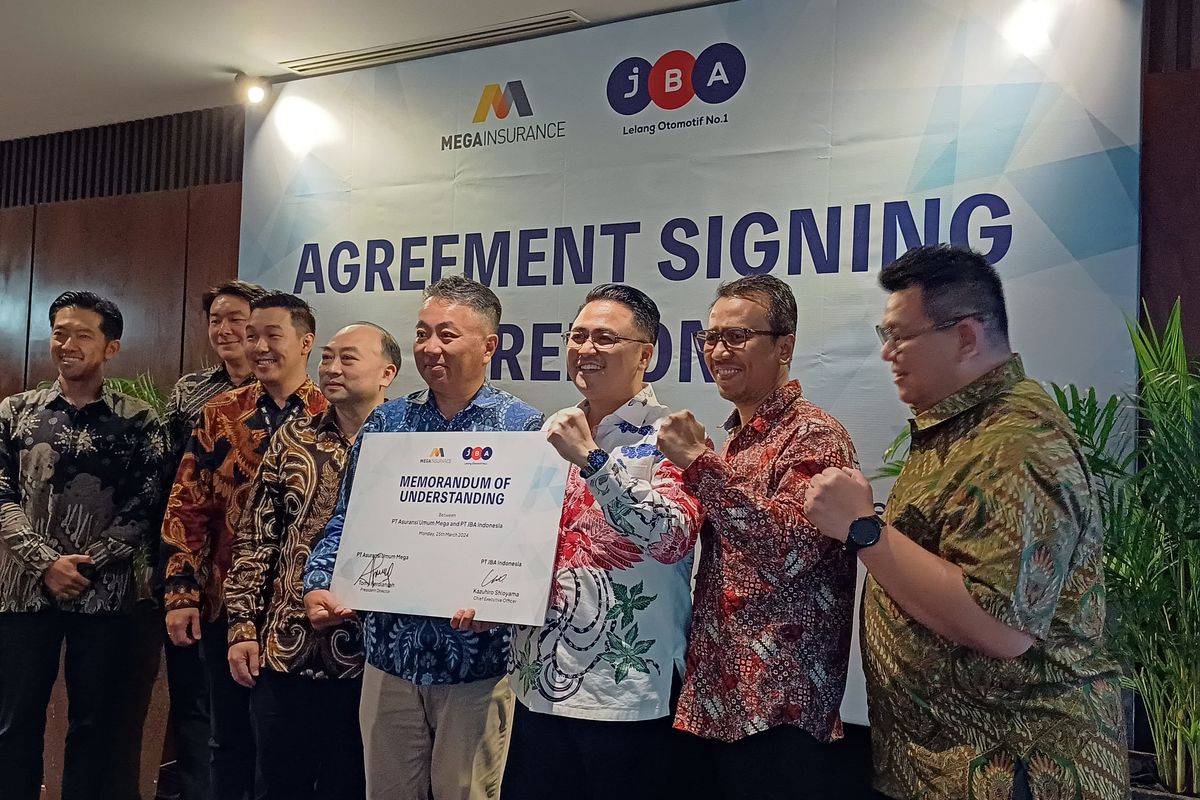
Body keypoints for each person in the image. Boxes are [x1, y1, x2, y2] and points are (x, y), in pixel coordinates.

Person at [803, 244, 1129, 800]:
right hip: (951, 765)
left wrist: (864, 530)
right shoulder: (962, 427)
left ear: (966, 335)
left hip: (1012, 770)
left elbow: (998, 627)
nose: (889, 354)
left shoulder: (1015, 443)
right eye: (887, 337)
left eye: (901, 337)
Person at [303, 276, 543, 800]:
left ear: (489, 346)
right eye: (422, 333)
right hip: (389, 652)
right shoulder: (389, 422)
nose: (431, 348)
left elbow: (533, 546)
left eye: (448, 335)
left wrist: (503, 599)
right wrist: (320, 580)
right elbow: (348, 517)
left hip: (476, 660)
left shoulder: (524, 429)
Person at [490, 284, 703, 800]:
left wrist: (592, 460)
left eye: (606, 338)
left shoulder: (670, 435)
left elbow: (673, 537)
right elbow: (519, 543)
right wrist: (486, 592)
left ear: (645, 354)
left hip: (625, 691)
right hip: (538, 682)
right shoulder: (550, 432)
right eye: (579, 336)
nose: (586, 349)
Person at [656, 274, 861, 799]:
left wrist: (698, 465)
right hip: (718, 700)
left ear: (785, 345)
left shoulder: (814, 433)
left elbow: (787, 552)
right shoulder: (730, 441)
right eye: (711, 338)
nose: (719, 351)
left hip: (781, 707)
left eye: (737, 337)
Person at [0, 291, 168, 800]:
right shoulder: (14, 411)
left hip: (105, 597)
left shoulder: (140, 421)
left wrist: (87, 565)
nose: (66, 344)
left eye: (82, 334)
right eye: (60, 332)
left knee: (94, 724)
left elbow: (147, 506)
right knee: (13, 722)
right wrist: (46, 563)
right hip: (22, 593)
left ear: (111, 346)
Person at [161, 291, 327, 800]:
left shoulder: (330, 413)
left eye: (271, 335)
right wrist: (181, 593)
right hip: (225, 603)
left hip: (302, 613)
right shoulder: (220, 413)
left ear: (305, 342)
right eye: (252, 335)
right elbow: (187, 506)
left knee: (292, 747)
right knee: (226, 738)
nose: (258, 346)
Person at [224, 322, 401, 800]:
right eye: (327, 357)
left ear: (388, 373)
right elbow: (256, 538)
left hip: (375, 655)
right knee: (279, 783)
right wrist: (242, 625)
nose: (332, 368)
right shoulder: (292, 439)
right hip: (288, 648)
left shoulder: (409, 447)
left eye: (348, 358)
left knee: (354, 784)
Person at [159, 278, 266, 800]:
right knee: (200, 708)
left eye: (236, 318)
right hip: (203, 572)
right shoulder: (194, 395)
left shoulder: (309, 405)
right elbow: (178, 489)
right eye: (215, 320)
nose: (224, 330)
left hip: (274, 586)